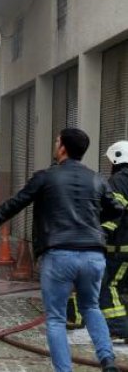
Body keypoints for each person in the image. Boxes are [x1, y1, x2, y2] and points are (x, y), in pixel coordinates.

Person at [0, 128, 124, 372]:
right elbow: (116, 209)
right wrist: (90, 220)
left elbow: (15, 203)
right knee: (92, 307)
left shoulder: (45, 177)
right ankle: (108, 361)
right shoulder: (97, 179)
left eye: (56, 141)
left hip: (59, 254)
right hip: (94, 255)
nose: (55, 144)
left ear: (62, 147)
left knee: (56, 318)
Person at [99, 141, 128, 342]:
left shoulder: (119, 181)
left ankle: (120, 327)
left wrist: (100, 236)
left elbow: (113, 213)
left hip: (120, 248)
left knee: (109, 286)